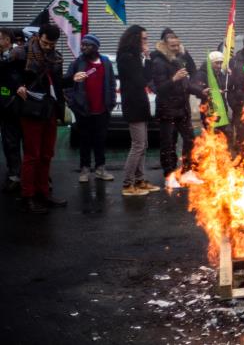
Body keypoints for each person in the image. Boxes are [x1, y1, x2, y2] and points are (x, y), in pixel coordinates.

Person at [16, 24, 67, 213]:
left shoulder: (56, 56)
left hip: (49, 109)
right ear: (39, 36)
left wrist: (73, 79)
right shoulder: (21, 52)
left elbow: (59, 83)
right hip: (30, 108)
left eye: (51, 44)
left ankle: (43, 193)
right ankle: (28, 196)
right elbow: (6, 73)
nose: (48, 47)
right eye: (45, 42)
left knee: (46, 155)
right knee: (32, 156)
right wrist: (17, 85)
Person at [151, 32, 203, 187]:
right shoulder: (158, 62)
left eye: (178, 45)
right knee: (168, 144)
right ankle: (169, 176)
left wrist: (201, 91)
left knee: (190, 139)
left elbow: (186, 83)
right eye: (173, 46)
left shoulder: (179, 60)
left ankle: (188, 172)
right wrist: (174, 79)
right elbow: (159, 88)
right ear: (165, 45)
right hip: (167, 109)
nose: (176, 48)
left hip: (182, 108)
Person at [64, 34, 116, 183]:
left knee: (100, 140)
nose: (84, 47)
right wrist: (73, 103)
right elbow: (68, 84)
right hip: (83, 110)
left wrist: (110, 103)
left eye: (87, 45)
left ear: (96, 47)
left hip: (102, 110)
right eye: (83, 45)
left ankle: (100, 169)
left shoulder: (105, 62)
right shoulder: (77, 63)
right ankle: (85, 169)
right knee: (84, 140)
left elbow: (111, 83)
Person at [117, 25, 160, 196]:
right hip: (133, 104)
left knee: (143, 145)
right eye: (144, 38)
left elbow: (144, 79)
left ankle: (140, 180)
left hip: (139, 103)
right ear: (135, 38)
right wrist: (148, 58)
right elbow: (142, 80)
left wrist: (146, 58)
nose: (146, 41)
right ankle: (128, 184)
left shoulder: (133, 56)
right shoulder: (126, 57)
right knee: (138, 145)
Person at [0, 27, 24, 193]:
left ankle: (19, 175)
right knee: (8, 142)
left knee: (17, 140)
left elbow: (18, 78)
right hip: (3, 105)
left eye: (0, 38)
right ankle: (13, 172)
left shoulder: (18, 56)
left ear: (8, 40)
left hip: (16, 105)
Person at [196, 50, 231, 137]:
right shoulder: (202, 74)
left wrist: (230, 76)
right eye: (216, 63)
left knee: (223, 136)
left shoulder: (220, 74)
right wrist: (209, 91)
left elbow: (227, 86)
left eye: (221, 63)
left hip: (221, 109)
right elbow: (195, 87)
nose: (219, 66)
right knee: (212, 137)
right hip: (209, 110)